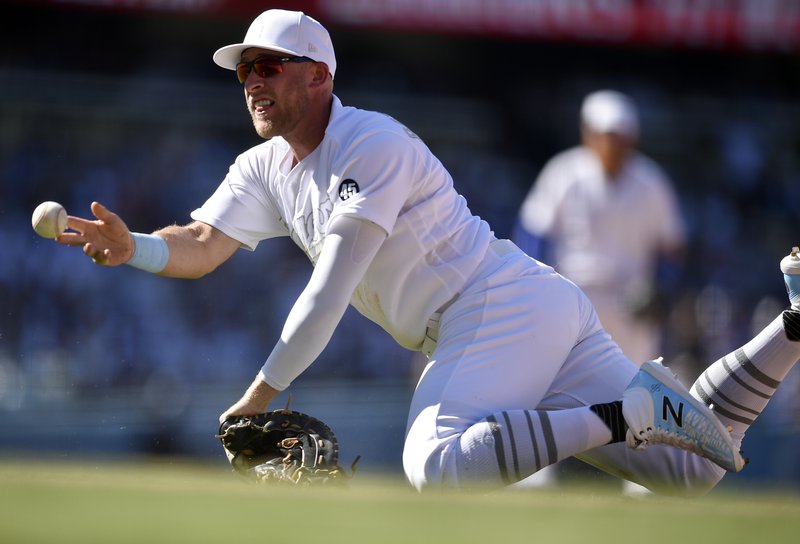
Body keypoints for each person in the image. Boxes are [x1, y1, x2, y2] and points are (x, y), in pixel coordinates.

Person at [57, 9, 800, 495]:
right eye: (244, 69)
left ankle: (623, 412)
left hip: (491, 305)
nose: (251, 81)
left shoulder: (367, 141)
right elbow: (203, 244)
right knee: (689, 470)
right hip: (522, 307)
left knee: (434, 466)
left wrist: (260, 393)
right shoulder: (264, 166)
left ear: (319, 76)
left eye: (268, 65)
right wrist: (137, 249)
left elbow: (330, 287)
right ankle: (792, 326)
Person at [514, 90, 686, 365]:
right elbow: (534, 233)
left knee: (633, 384)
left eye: (620, 137)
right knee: (565, 379)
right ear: (588, 134)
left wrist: (662, 287)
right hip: (574, 292)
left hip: (633, 299)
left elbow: (672, 245)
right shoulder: (563, 173)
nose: (613, 145)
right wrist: (534, 286)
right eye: (607, 136)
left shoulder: (651, 181)